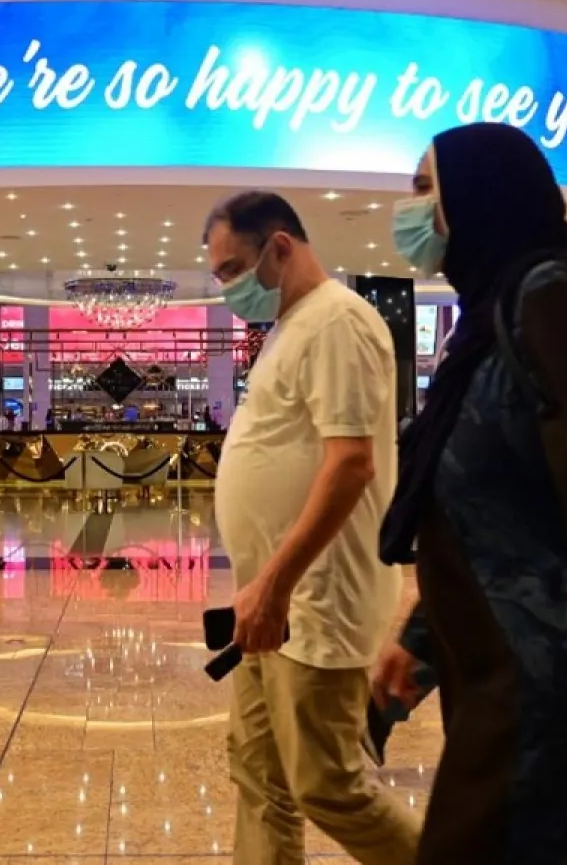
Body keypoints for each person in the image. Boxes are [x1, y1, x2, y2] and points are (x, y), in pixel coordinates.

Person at [371, 123, 567, 865]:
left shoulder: (554, 299)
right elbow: (494, 519)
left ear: (481, 195)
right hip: (498, 684)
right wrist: (423, 638)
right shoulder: (489, 319)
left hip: (555, 696)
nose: (409, 209)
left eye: (424, 188)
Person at [205, 190, 420, 865]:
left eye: (232, 269)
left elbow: (350, 463)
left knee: (329, 784)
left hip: (314, 598)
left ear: (280, 246)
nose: (227, 288)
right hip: (268, 602)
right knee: (258, 774)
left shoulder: (337, 322)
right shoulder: (290, 328)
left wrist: (277, 585)